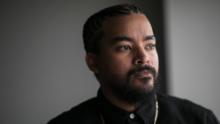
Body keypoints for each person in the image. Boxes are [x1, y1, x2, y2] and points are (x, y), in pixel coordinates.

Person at [48, 4, 219, 124]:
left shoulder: (200, 119)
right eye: (125, 47)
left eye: (150, 46)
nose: (144, 57)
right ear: (93, 62)